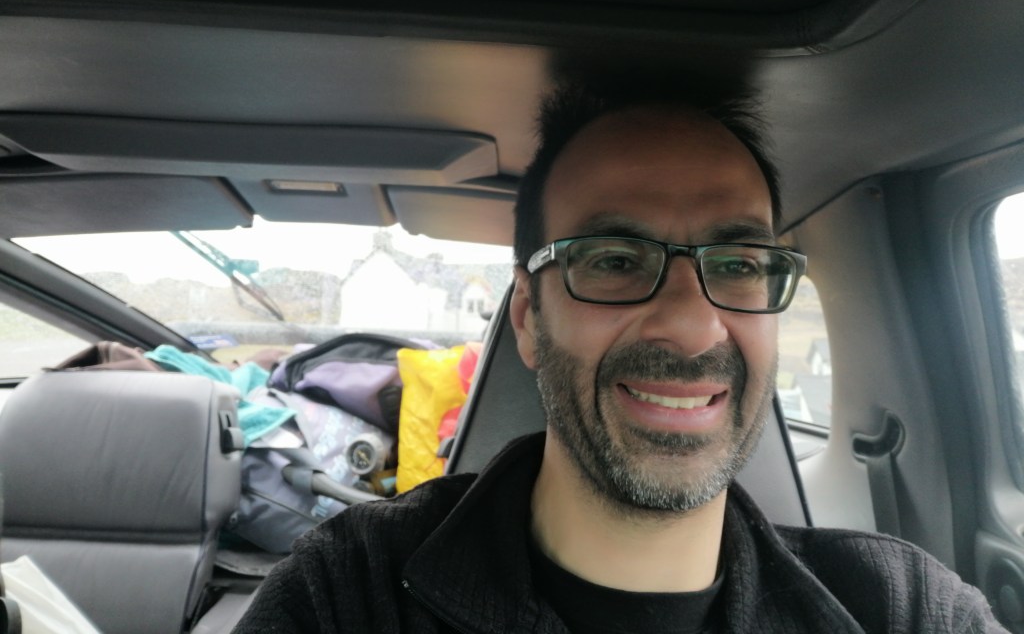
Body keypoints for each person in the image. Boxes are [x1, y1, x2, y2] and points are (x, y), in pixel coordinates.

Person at [233, 77, 1006, 632]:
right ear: (528, 318)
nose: (694, 328)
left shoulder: (900, 607)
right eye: (613, 260)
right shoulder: (349, 594)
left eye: (738, 264)